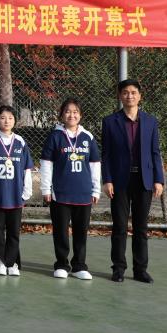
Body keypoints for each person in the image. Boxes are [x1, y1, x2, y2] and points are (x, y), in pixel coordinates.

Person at [101, 79, 165, 284]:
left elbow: (155, 152)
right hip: (119, 181)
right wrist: (107, 179)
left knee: (141, 227)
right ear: (120, 96)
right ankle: (118, 268)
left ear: (140, 96)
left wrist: (158, 179)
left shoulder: (151, 121)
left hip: (144, 180)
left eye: (133, 92)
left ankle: (140, 270)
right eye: (125, 92)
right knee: (119, 226)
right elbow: (106, 154)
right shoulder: (109, 122)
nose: (130, 96)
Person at [41, 99, 101, 281]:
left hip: (83, 193)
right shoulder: (55, 136)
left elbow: (95, 165)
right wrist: (46, 188)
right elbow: (46, 164)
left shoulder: (88, 137)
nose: (71, 115)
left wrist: (96, 189)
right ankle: (61, 264)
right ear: (61, 115)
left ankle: (79, 266)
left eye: (75, 112)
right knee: (60, 231)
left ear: (80, 115)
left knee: (81, 231)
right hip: (61, 193)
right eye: (67, 111)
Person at [0, 105, 33, 277]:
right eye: (2, 117)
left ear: (15, 120)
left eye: (10, 118)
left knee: (14, 232)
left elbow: (27, 169)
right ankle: (1, 262)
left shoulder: (20, 142)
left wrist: (27, 191)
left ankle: (12, 263)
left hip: (16, 195)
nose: (6, 121)